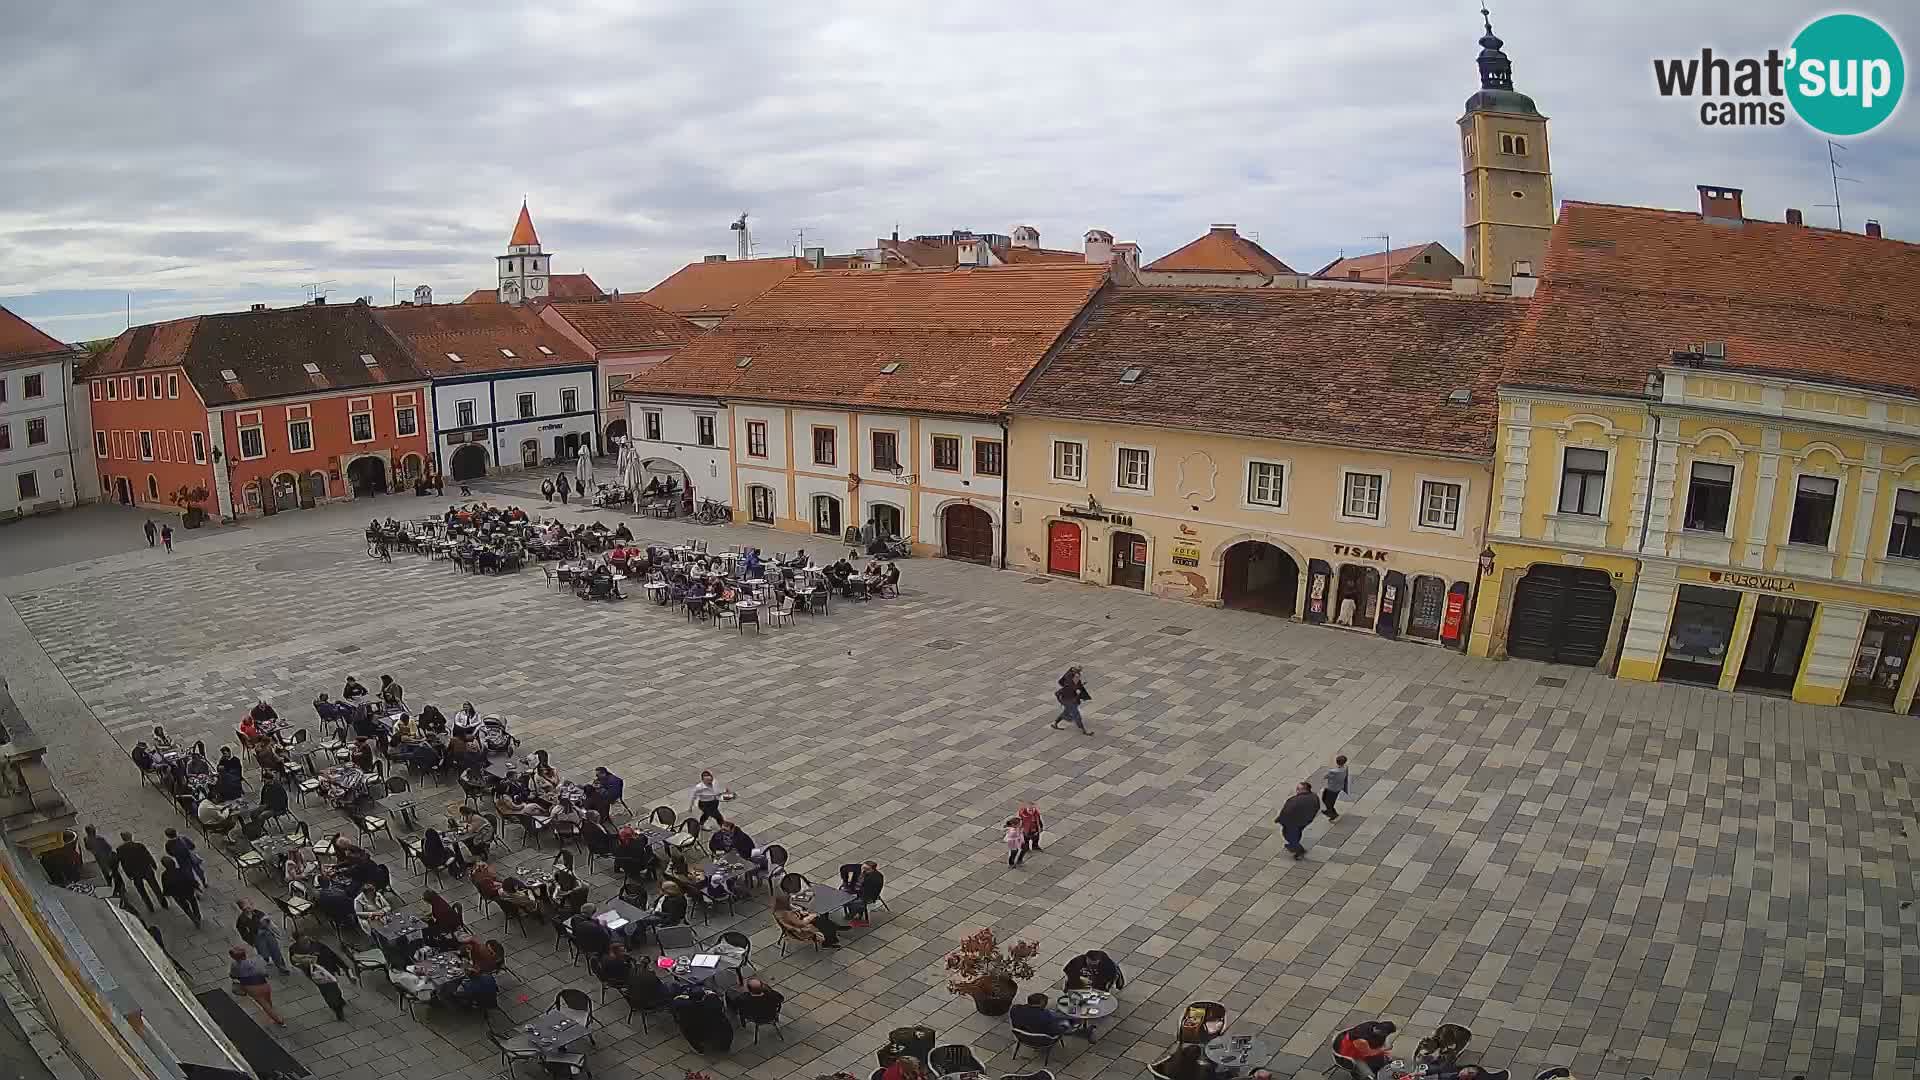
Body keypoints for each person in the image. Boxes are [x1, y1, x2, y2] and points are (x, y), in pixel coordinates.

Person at [290, 934, 349, 1021]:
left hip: (328, 971)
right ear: (297, 941)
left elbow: (332, 955)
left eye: (306, 938)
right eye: (303, 939)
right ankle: (337, 1009)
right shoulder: (294, 949)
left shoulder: (318, 945)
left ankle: (339, 1000)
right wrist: (303, 963)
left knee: (335, 987)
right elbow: (293, 961)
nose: (306, 940)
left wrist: (343, 967)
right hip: (316, 975)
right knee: (327, 992)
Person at [228, 947, 284, 1025]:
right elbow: (264, 972)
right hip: (263, 983)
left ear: (233, 957)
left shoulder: (235, 965)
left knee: (264, 1005)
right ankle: (273, 1014)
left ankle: (278, 1020)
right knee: (268, 1000)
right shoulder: (254, 960)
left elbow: (232, 975)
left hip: (251, 986)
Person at [237, 897, 291, 974]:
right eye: (248, 906)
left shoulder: (258, 913)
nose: (251, 907)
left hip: (267, 934)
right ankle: (265, 961)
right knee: (263, 952)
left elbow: (269, 923)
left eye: (251, 904)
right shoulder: (242, 920)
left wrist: (275, 930)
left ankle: (281, 967)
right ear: (243, 909)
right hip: (257, 938)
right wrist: (251, 941)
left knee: (275, 950)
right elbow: (243, 933)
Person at [115, 832, 164, 913]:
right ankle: (163, 902)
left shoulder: (120, 850)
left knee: (141, 890)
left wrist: (128, 874)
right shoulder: (139, 845)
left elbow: (123, 863)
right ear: (131, 837)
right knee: (155, 886)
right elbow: (148, 855)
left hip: (134, 873)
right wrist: (153, 864)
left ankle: (150, 906)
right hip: (146, 869)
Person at [773, 892, 841, 947]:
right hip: (801, 929)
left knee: (822, 921)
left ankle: (833, 931)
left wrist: (802, 913)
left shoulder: (779, 910)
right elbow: (801, 923)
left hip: (800, 923)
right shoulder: (787, 914)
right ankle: (829, 939)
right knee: (822, 922)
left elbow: (794, 913)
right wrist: (810, 916)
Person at [1275, 781, 1321, 859]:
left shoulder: (1294, 801)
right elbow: (1317, 807)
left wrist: (1280, 819)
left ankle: (1298, 850)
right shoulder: (1314, 796)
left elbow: (1286, 812)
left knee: (1288, 835)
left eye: (1298, 789)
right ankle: (1293, 844)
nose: (1297, 790)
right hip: (1305, 821)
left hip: (1293, 822)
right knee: (1297, 832)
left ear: (1304, 790)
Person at [1010, 992, 1085, 1038]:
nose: (1045, 1005)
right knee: (1067, 1021)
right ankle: (1081, 1030)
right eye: (1045, 1003)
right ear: (1040, 1005)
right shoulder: (1045, 1016)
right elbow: (1056, 1017)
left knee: (1056, 1012)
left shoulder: (1015, 1008)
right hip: (1043, 1035)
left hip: (1023, 1034)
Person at [159, 856, 202, 927]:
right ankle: (197, 915)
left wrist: (166, 894)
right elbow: (189, 879)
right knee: (193, 902)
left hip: (177, 895)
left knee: (185, 907)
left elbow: (165, 886)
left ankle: (193, 919)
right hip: (188, 890)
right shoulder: (181, 870)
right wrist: (196, 885)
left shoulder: (164, 875)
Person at [84, 825, 123, 896]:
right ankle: (120, 886)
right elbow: (108, 848)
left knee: (105, 872)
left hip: (99, 858)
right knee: (115, 872)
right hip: (107, 857)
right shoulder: (100, 839)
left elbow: (88, 848)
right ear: (94, 831)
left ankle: (110, 885)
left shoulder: (86, 839)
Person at [1054, 666, 1091, 734]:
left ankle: (1055, 723)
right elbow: (1058, 693)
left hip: (1071, 701)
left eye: (1078, 677)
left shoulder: (1076, 683)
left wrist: (1081, 688)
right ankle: (1084, 730)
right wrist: (1062, 701)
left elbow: (1078, 687)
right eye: (1077, 677)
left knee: (1066, 712)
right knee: (1076, 715)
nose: (1078, 678)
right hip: (1068, 701)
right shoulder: (1068, 685)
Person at [1323, 754, 1350, 820]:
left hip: (1332, 789)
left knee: (1328, 801)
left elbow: (1325, 776)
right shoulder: (1345, 767)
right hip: (1338, 787)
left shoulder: (1333, 771)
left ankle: (1333, 814)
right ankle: (1330, 811)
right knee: (1327, 799)